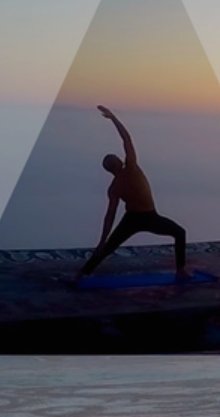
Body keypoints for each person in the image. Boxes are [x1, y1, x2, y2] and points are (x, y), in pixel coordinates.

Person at [75, 105, 189, 283]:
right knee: (108, 247)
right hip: (135, 218)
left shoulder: (123, 177)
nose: (119, 158)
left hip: (147, 216)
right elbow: (109, 216)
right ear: (114, 165)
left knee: (179, 233)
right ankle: (80, 275)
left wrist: (114, 118)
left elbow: (126, 139)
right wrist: (102, 241)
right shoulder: (126, 174)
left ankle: (180, 271)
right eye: (115, 159)